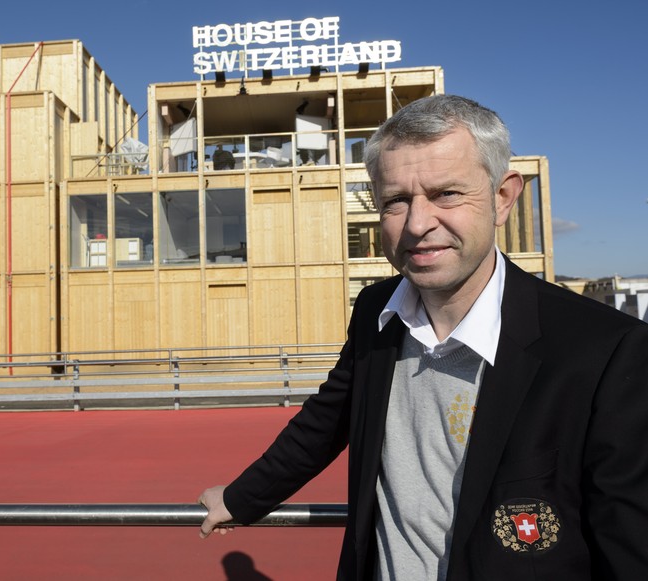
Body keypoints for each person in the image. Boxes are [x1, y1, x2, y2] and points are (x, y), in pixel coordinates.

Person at [198, 95, 648, 579]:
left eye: (447, 194)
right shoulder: (376, 311)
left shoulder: (606, 349)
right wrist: (242, 496)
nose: (417, 224)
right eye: (396, 200)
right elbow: (328, 419)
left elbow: (628, 542)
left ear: (503, 198)